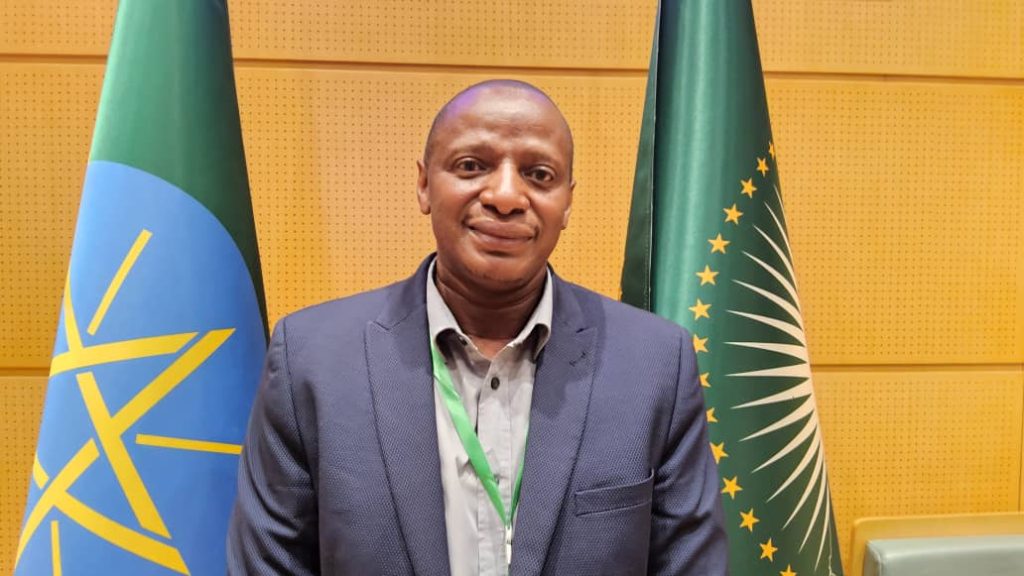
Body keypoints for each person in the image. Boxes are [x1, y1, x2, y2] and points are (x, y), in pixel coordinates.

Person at [227, 80, 727, 575]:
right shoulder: (312, 361)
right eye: (472, 166)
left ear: (567, 202)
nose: (506, 196)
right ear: (424, 184)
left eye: (539, 174)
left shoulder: (655, 364)